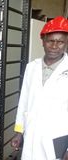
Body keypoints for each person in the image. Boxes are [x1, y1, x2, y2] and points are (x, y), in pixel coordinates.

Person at [11, 16, 68, 160]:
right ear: (43, 41)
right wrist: (19, 132)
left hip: (57, 138)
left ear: (66, 43)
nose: (55, 46)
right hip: (31, 136)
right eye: (50, 41)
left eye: (60, 42)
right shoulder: (32, 67)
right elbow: (23, 100)